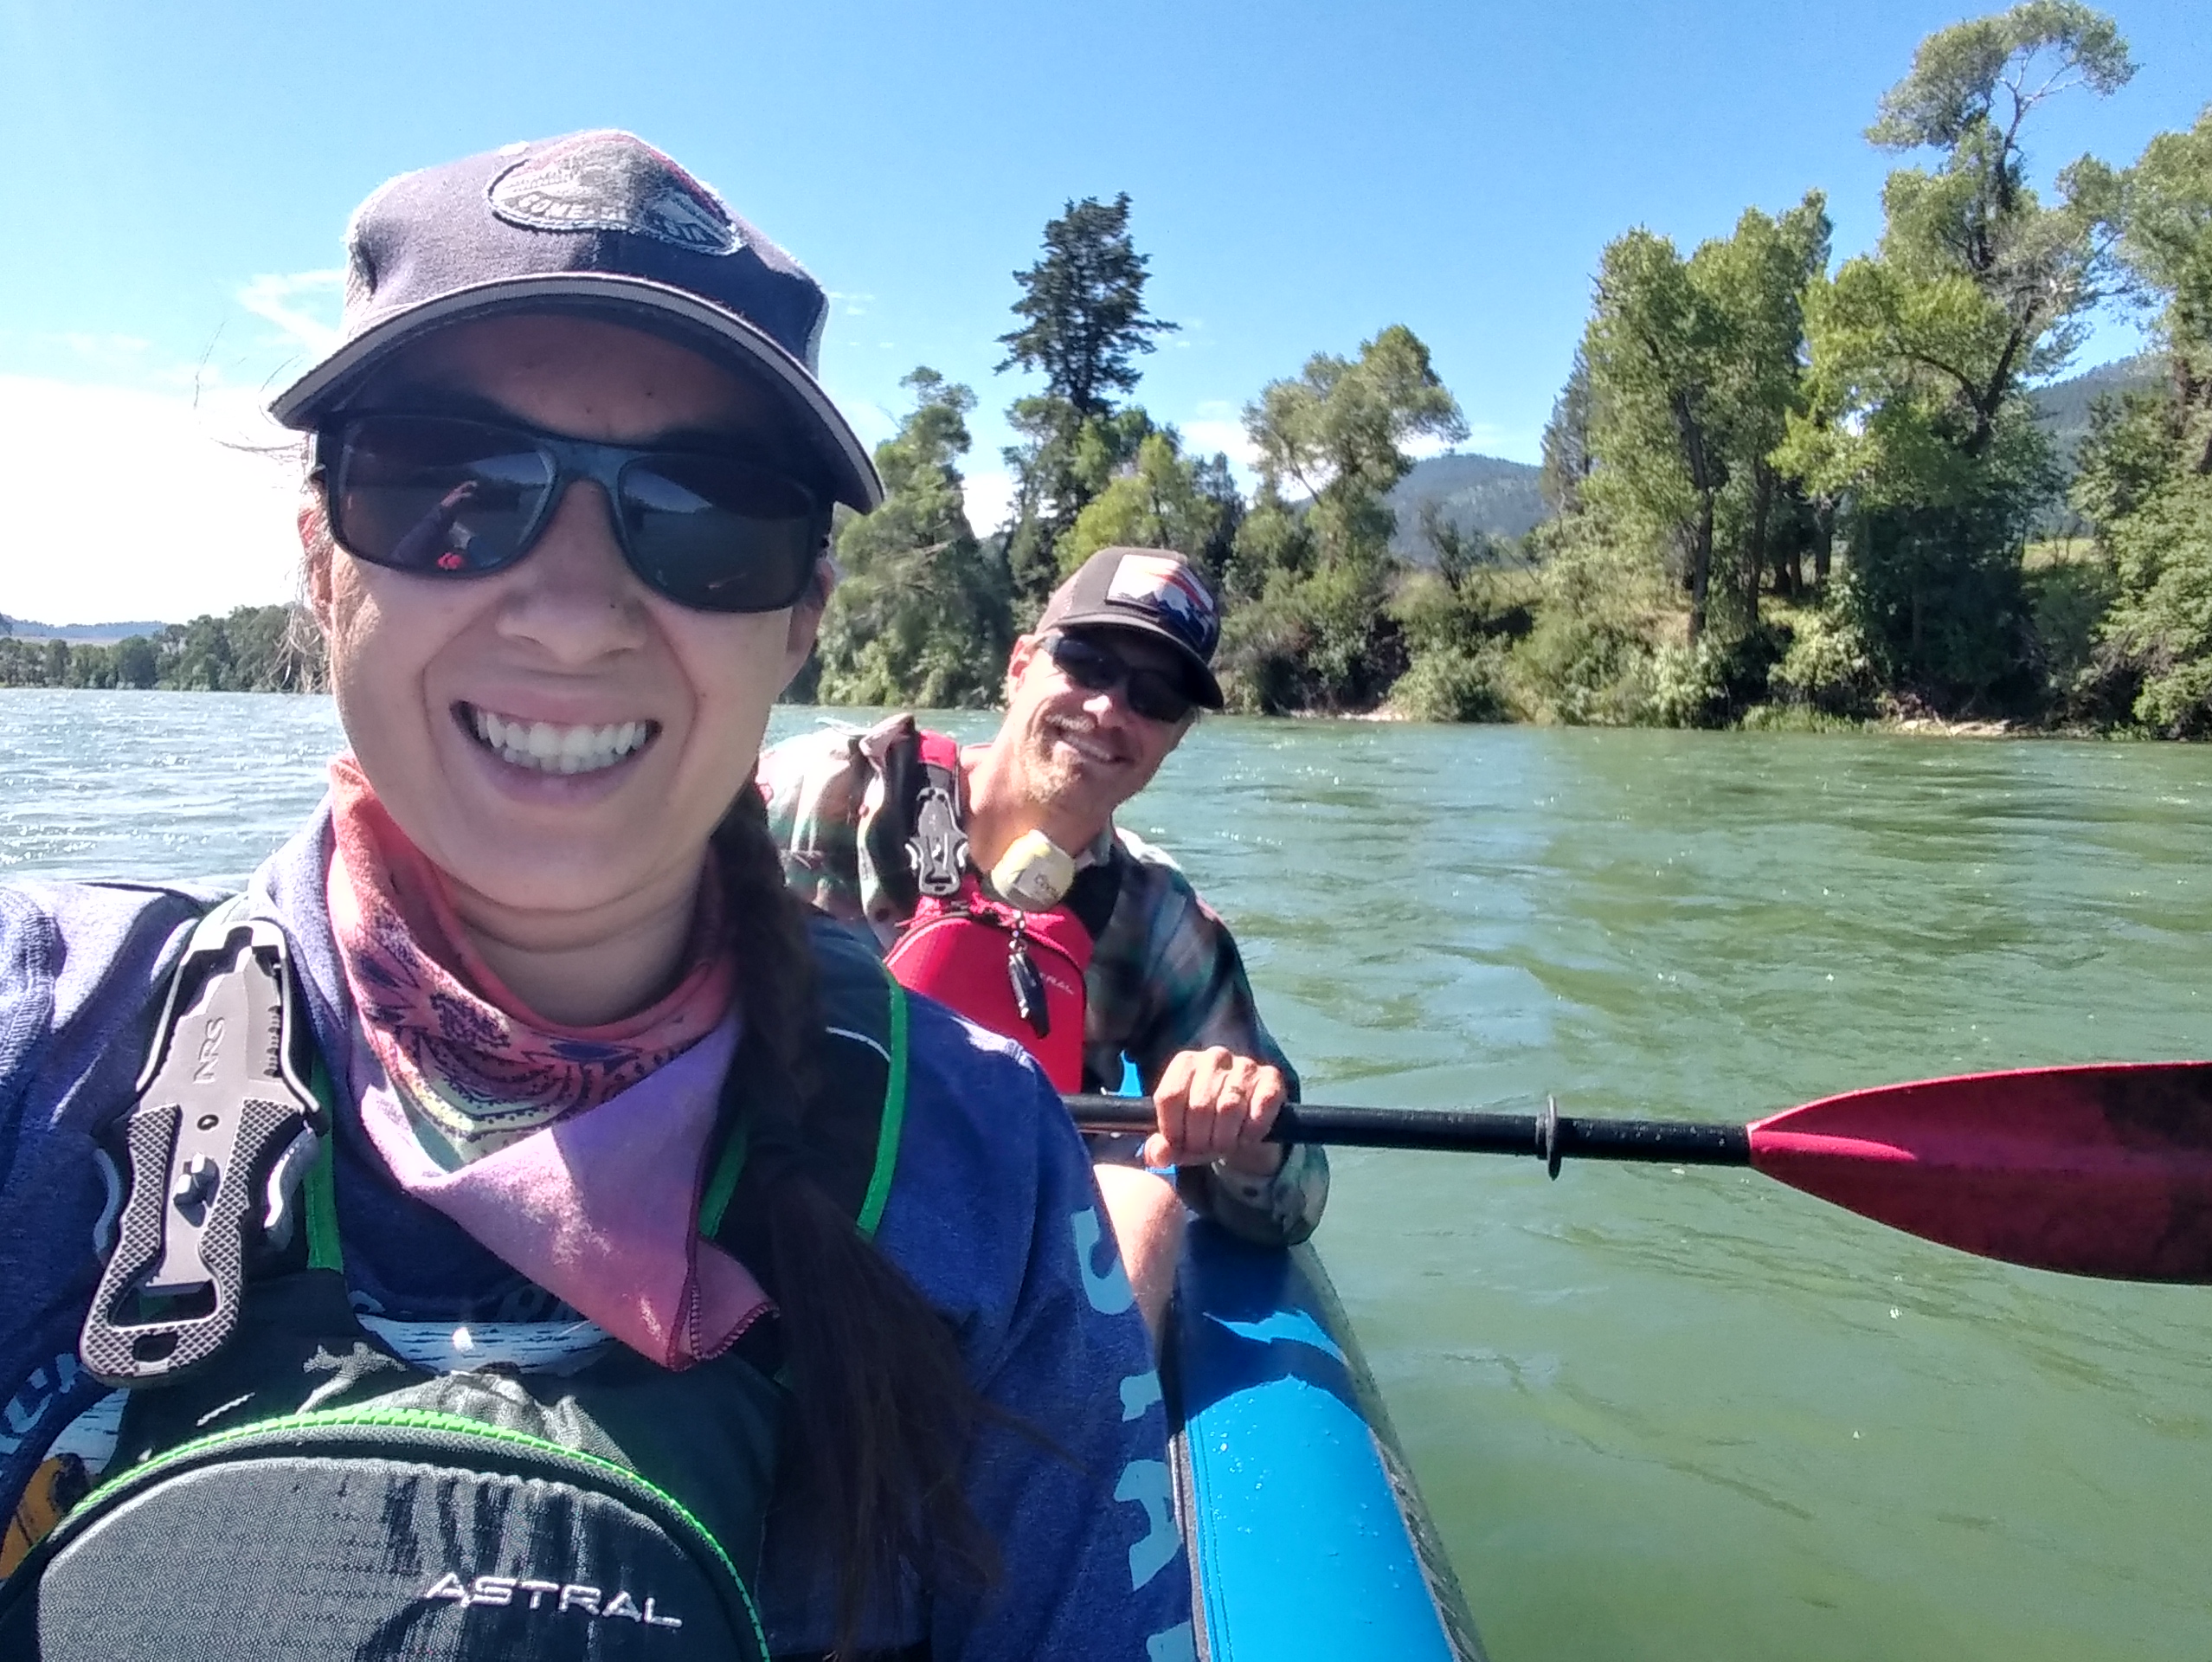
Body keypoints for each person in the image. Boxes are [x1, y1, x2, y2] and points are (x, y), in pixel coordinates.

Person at [0, 132, 1193, 1662]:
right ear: (320, 556)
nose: (571, 614)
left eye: (707, 514)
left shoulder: (992, 1153)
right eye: (450, 480)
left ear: (803, 621)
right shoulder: (46, 1042)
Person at [762, 547, 1329, 1336]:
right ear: (1020, 664)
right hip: (771, 1205)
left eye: (1156, 695)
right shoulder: (813, 794)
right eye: (1087, 661)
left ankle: (1048, 1441)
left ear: (1176, 736)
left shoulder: (1160, 923)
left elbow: (1297, 1194)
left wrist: (1245, 1128)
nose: (1108, 710)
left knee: (1142, 1200)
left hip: (992, 1263)